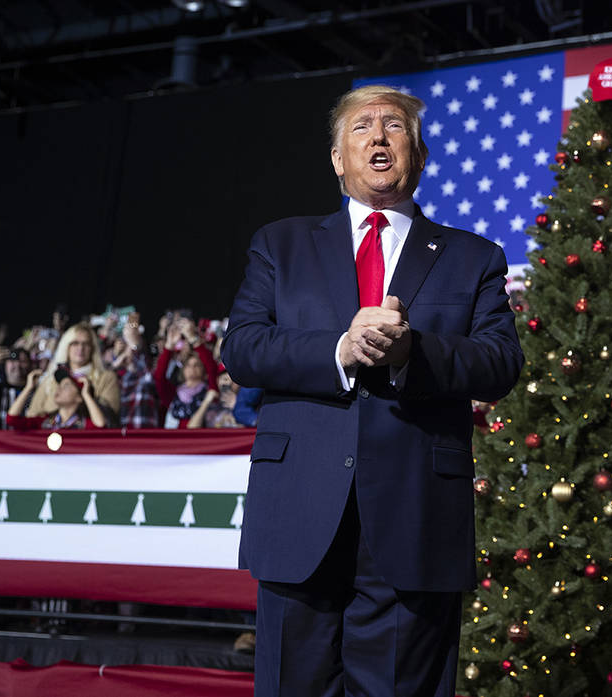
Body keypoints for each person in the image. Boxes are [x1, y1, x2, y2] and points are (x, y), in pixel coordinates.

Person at [220, 84, 523, 697]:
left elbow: (499, 363)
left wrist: (415, 351)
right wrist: (340, 349)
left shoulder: (474, 257)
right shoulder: (280, 244)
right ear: (337, 158)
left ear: (420, 153)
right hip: (299, 510)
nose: (378, 136)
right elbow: (243, 348)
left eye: (394, 125)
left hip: (414, 519)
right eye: (361, 127)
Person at [26, 323, 120, 424]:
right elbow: (32, 415)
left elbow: (110, 419)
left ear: (92, 348)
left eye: (86, 344)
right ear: (66, 346)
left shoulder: (106, 378)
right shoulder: (50, 379)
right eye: (75, 343)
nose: (80, 348)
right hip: (51, 436)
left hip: (88, 437)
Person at [6, 367, 107, 430]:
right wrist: (28, 388)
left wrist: (86, 394)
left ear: (79, 397)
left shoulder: (83, 424)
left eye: (66, 385)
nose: (59, 388)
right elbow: (11, 420)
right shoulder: (45, 422)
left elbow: (100, 425)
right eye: (59, 385)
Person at [0, 347, 34, 429]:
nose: (17, 364)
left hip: (25, 439)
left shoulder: (35, 391)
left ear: (30, 365)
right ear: (5, 364)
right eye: (13, 360)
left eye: (23, 361)